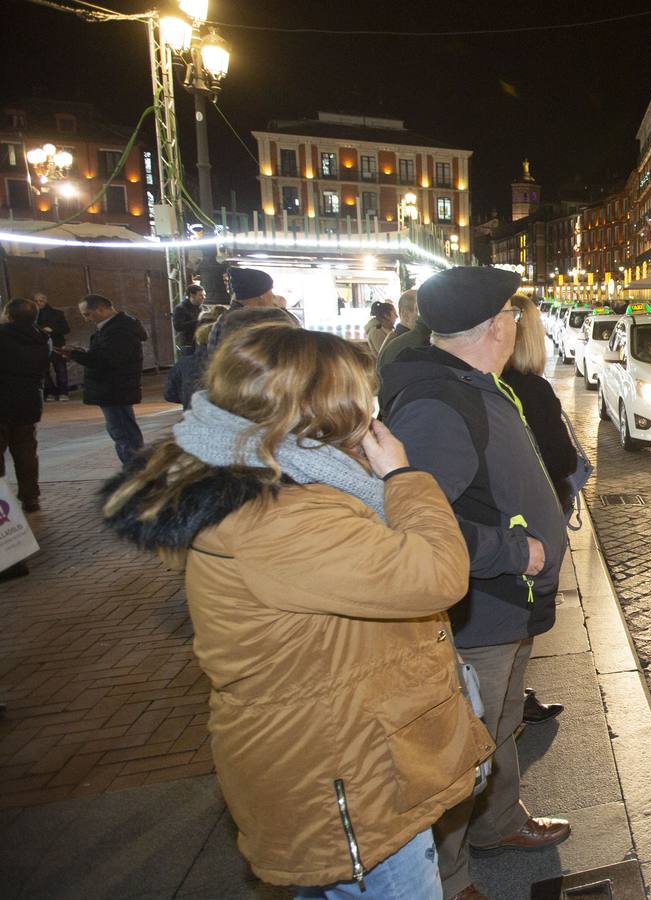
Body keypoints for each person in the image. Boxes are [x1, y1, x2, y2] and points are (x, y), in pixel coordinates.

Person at [99, 323, 492, 899]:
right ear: (325, 407)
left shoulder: (256, 479)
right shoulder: (279, 513)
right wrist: (404, 477)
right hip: (345, 769)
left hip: (338, 748)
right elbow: (435, 575)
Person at [379, 267, 573, 900]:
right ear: (494, 326)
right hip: (481, 608)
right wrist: (516, 552)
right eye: (512, 316)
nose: (518, 325)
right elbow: (421, 522)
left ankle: (498, 823)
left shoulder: (474, 383)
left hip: (504, 607)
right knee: (463, 747)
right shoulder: (441, 403)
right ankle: (450, 877)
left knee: (501, 722)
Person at [502, 294, 587, 728]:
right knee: (523, 614)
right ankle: (512, 701)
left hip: (506, 522)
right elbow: (560, 456)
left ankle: (511, 697)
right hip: (532, 521)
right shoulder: (531, 389)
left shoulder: (490, 382)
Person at [61, 294, 147, 463]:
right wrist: (83, 353)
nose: (87, 319)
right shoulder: (116, 327)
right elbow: (107, 355)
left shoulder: (118, 330)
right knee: (122, 431)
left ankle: (136, 472)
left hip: (114, 388)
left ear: (101, 309)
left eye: (87, 314)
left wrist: (76, 355)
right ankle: (137, 471)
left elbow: (109, 360)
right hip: (114, 388)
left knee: (123, 433)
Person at [1, 298, 50, 516]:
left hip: (2, 401)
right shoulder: (42, 338)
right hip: (29, 401)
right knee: (26, 451)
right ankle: (30, 497)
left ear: (9, 315)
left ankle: (2, 496)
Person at [378, 289, 429, 381]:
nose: (426, 316)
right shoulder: (404, 344)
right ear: (405, 314)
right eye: (420, 311)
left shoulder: (394, 340)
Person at [34, 293, 71, 401]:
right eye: (36, 301)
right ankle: (51, 392)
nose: (38, 303)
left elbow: (66, 329)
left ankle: (63, 392)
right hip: (40, 346)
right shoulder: (32, 316)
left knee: (61, 369)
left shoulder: (57, 314)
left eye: (41, 300)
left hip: (56, 344)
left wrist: (52, 330)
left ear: (46, 301)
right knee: (44, 371)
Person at [172, 284, 204, 354]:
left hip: (201, 344)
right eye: (201, 295)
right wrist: (199, 322)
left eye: (204, 295)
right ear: (192, 295)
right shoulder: (180, 308)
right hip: (188, 346)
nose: (203, 297)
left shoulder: (202, 308)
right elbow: (178, 326)